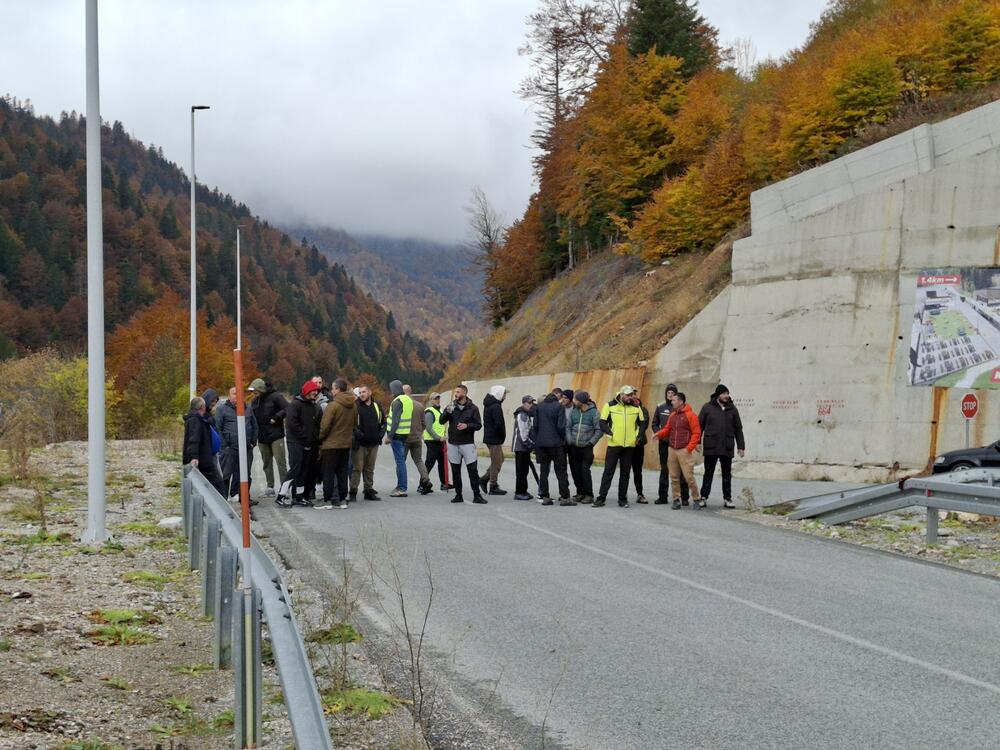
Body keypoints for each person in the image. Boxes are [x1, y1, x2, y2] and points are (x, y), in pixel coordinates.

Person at [594, 385, 644, 508]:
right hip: (614, 444)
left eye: (632, 395)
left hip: (629, 446)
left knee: (625, 473)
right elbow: (602, 421)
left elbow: (642, 423)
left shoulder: (636, 407)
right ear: (621, 395)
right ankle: (601, 498)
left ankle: (622, 499)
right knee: (608, 472)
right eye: (628, 395)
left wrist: (638, 436)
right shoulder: (610, 405)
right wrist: (609, 432)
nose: (630, 397)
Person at [698, 384, 746, 509]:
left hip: (726, 445)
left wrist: (741, 446)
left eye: (727, 393)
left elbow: (738, 429)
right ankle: (703, 497)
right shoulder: (707, 408)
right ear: (718, 395)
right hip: (711, 445)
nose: (726, 396)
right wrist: (697, 442)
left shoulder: (733, 409)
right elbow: (699, 426)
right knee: (708, 473)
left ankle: (727, 498)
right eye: (724, 393)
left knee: (726, 474)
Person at [654, 391, 703, 509]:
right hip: (672, 450)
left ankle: (696, 499)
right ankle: (676, 499)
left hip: (684, 450)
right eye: (671, 400)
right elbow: (667, 429)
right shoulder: (672, 415)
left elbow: (697, 434)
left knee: (689, 477)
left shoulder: (691, 415)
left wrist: (689, 448)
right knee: (674, 477)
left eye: (674, 400)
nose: (672, 402)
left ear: (681, 402)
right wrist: (658, 434)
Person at [277, 380, 322, 508]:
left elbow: (315, 426)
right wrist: (305, 437)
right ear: (307, 391)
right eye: (313, 391)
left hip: (308, 443)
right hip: (296, 442)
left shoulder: (313, 406)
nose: (315, 393)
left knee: (303, 470)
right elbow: (291, 424)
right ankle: (281, 495)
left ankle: (299, 496)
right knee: (295, 469)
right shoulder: (295, 405)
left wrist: (314, 440)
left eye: (317, 392)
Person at [386, 379, 432, 497]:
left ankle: (401, 487)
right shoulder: (412, 402)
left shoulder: (397, 401)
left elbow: (395, 420)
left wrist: (389, 436)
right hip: (410, 436)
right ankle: (423, 479)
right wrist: (419, 432)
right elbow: (423, 422)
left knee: (400, 462)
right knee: (417, 460)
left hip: (399, 436)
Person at [440, 385, 485, 504]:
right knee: (455, 471)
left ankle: (477, 495)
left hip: (467, 443)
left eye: (458, 392)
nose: (456, 394)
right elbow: (441, 421)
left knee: (473, 471)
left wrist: (467, 426)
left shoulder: (473, 408)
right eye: (455, 391)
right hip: (453, 443)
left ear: (464, 393)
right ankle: (458, 495)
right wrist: (446, 411)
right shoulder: (451, 407)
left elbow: (478, 425)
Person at [215, 386, 259, 502]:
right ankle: (223, 499)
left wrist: (253, 442)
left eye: (239, 393)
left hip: (246, 448)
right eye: (234, 393)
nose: (237, 396)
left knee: (245, 474)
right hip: (229, 448)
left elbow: (255, 426)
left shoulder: (248, 408)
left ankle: (244, 498)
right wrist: (224, 444)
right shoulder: (222, 409)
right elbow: (218, 428)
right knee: (226, 474)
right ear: (229, 396)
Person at [318, 378, 356, 509]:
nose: (332, 391)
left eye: (333, 388)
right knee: (342, 472)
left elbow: (325, 426)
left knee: (328, 472)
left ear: (338, 390)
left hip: (331, 444)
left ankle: (327, 500)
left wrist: (320, 438)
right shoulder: (353, 405)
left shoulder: (333, 405)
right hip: (346, 444)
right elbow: (355, 424)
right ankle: (342, 499)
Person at [533, 391, 574, 506]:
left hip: (542, 444)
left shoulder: (539, 407)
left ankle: (545, 496)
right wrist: (562, 439)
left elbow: (535, 426)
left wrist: (537, 441)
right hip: (556, 444)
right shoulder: (559, 407)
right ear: (556, 399)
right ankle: (565, 497)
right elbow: (561, 426)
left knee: (544, 471)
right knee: (561, 471)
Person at [249, 378, 288, 498]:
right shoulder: (254, 402)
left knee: (280, 462)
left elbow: (287, 408)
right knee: (266, 463)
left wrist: (276, 417)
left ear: (260, 389)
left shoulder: (276, 397)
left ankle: (284, 488)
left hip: (276, 435)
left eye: (255, 391)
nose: (253, 394)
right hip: (262, 436)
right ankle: (270, 486)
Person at [651, 384, 687, 506]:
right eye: (668, 393)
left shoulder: (681, 408)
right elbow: (654, 424)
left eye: (672, 393)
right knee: (664, 469)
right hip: (664, 444)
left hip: (678, 444)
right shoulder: (660, 406)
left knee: (680, 470)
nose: (670, 395)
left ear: (676, 395)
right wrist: (659, 434)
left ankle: (684, 497)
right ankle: (662, 497)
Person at [183, 396, 226, 496]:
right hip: (204, 459)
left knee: (214, 483)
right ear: (202, 407)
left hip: (204, 458)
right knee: (218, 484)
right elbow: (194, 439)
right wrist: (194, 457)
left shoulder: (194, 419)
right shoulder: (195, 420)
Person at [566, 391, 601, 504]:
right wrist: (570, 440)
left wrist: (591, 442)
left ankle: (588, 495)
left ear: (581, 401)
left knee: (585, 471)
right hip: (574, 447)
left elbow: (599, 430)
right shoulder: (574, 412)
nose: (574, 402)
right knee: (575, 471)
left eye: (576, 400)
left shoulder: (594, 413)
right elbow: (568, 427)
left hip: (586, 448)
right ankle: (580, 493)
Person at [351, 385, 385, 501]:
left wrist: (380, 435)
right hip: (360, 444)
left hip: (374, 443)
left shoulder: (377, 406)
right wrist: (360, 436)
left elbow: (383, 422)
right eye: (360, 392)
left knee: (370, 469)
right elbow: (352, 424)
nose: (362, 394)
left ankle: (368, 491)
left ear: (369, 393)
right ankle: (353, 492)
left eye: (364, 392)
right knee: (357, 468)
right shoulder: (355, 406)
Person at [480, 385, 508, 496]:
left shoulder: (490, 404)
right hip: (494, 438)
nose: (505, 397)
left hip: (491, 437)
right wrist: (502, 435)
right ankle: (493, 485)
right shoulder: (495, 406)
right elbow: (498, 424)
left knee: (500, 459)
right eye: (504, 394)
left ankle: (484, 479)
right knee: (496, 461)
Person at [423, 392, 451, 491]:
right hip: (432, 441)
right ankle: (422, 484)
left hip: (440, 441)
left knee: (442, 463)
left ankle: (444, 483)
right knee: (429, 463)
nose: (438, 400)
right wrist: (438, 438)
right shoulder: (429, 412)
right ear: (431, 400)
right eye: (435, 399)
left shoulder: (439, 411)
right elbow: (429, 428)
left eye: (438, 398)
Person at [512, 396, 537, 501]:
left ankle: (523, 490)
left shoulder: (526, 414)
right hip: (521, 448)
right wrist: (532, 445)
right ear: (524, 403)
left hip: (524, 448)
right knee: (521, 471)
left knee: (524, 470)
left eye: (532, 403)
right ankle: (519, 492)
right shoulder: (522, 415)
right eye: (529, 403)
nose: (531, 405)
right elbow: (523, 435)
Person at [629, 395, 651, 503]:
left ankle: (640, 494)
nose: (634, 402)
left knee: (637, 471)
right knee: (625, 471)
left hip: (638, 444)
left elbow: (644, 424)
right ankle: (622, 495)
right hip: (626, 444)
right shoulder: (626, 411)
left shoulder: (643, 411)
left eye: (637, 401)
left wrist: (637, 409)